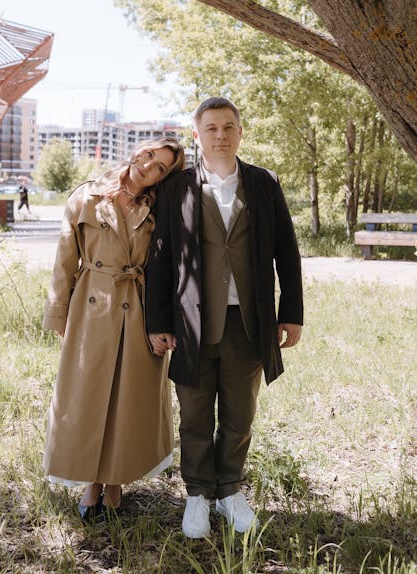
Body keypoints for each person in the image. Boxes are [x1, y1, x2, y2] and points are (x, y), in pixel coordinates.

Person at [145, 97, 303, 538]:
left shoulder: (263, 183)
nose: (220, 135)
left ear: (240, 132)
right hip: (191, 323)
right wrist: (157, 321)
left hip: (249, 323)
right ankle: (197, 495)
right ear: (198, 135)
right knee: (194, 414)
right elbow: (159, 258)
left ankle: (230, 491)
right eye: (211, 128)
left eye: (228, 126)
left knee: (239, 413)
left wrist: (291, 312)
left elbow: (286, 252)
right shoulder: (177, 188)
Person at [43, 137, 185, 521]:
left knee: (129, 399)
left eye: (161, 167)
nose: (149, 166)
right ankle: (91, 481)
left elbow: (170, 266)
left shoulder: (160, 208)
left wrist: (165, 322)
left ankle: (117, 481)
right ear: (139, 150)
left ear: (163, 178)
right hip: (92, 307)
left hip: (140, 310)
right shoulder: (87, 196)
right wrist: (58, 313)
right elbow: (64, 260)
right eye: (150, 155)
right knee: (88, 397)